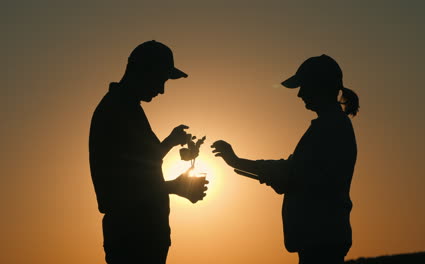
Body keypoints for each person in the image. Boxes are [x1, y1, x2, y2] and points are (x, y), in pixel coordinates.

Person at [211, 55, 359, 264]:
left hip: (321, 240)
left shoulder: (331, 127)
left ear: (320, 86)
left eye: (304, 86)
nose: (299, 94)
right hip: (321, 238)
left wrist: (237, 162)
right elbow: (296, 173)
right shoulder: (330, 125)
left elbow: (293, 173)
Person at [89, 40, 209, 264]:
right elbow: (120, 188)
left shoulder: (125, 108)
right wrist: (174, 186)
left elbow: (139, 163)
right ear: (143, 71)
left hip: (140, 235)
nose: (162, 90)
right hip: (134, 237)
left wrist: (169, 142)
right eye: (160, 79)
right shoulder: (117, 110)